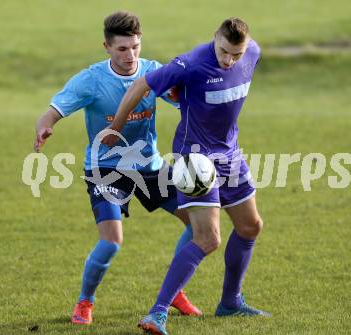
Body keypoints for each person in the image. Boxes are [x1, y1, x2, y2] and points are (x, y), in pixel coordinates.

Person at [33, 11, 202, 325]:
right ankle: (85, 302)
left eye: (135, 47)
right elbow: (52, 112)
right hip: (105, 168)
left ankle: (174, 291)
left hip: (149, 167)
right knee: (111, 241)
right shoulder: (92, 79)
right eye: (122, 49)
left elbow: (186, 101)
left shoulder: (153, 72)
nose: (130, 55)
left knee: (199, 224)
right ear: (107, 47)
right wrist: (44, 128)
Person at [103, 17, 270, 335]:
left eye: (236, 54)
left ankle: (231, 303)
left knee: (251, 226)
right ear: (215, 38)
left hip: (229, 154)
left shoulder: (252, 53)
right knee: (208, 239)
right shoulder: (190, 64)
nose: (228, 60)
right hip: (194, 157)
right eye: (223, 51)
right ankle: (157, 313)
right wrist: (117, 126)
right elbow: (142, 84)